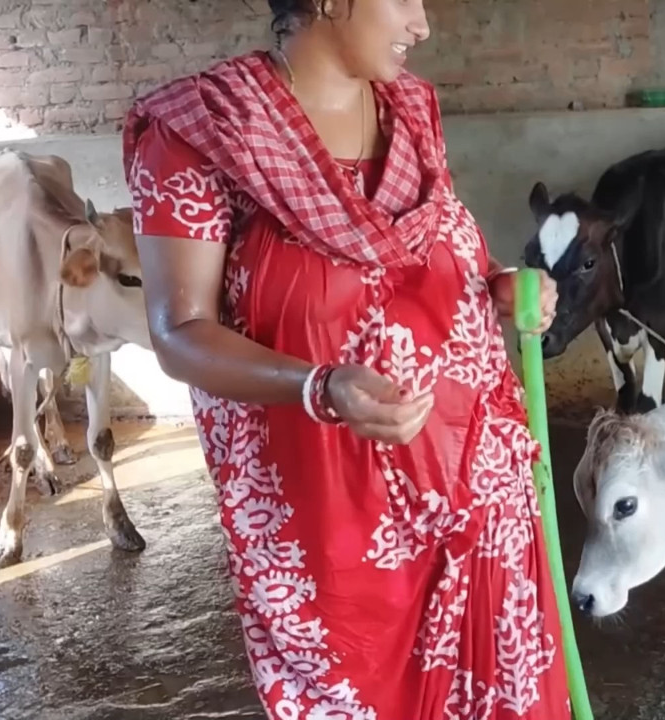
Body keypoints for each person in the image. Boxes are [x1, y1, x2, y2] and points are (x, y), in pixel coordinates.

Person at [122, 0, 571, 717]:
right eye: (406, 0)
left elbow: (441, 256)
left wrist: (499, 285)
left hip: (480, 504)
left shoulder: (413, 111)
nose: (422, 25)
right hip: (336, 531)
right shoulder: (201, 133)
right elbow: (179, 331)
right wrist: (320, 386)